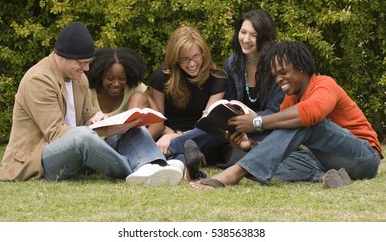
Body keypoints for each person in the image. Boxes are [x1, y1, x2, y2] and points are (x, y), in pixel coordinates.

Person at [0, 21, 183, 185]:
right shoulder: (39, 80)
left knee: (132, 127)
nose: (86, 69)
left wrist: (98, 119)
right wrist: (104, 130)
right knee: (83, 137)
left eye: (88, 62)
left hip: (75, 154)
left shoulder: (78, 78)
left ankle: (156, 164)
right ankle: (137, 170)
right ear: (63, 56)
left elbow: (87, 117)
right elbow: (55, 133)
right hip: (38, 159)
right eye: (82, 63)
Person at [191, 40, 383, 189]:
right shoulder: (289, 100)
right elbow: (284, 144)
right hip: (323, 161)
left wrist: (257, 122)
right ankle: (336, 176)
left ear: (301, 67)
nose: (279, 79)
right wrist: (251, 146)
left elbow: (311, 114)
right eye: (275, 75)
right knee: (278, 160)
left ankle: (234, 174)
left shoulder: (324, 84)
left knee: (306, 121)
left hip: (363, 158)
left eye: (283, 72)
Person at [169, 10, 322, 182]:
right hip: (239, 128)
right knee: (220, 136)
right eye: (243, 32)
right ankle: (186, 159)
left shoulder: (277, 66)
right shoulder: (233, 63)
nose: (246, 39)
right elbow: (230, 101)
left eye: (253, 35)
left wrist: (250, 120)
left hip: (266, 128)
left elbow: (276, 110)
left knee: (235, 151)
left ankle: (173, 149)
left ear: (264, 37)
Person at [148, 26, 227, 164]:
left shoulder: (217, 78)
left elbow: (206, 123)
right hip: (166, 134)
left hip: (200, 136)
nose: (191, 64)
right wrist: (171, 135)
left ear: (204, 53)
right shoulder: (160, 77)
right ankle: (184, 163)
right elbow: (158, 121)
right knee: (170, 146)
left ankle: (179, 155)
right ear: (175, 58)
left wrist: (177, 138)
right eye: (184, 59)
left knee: (219, 131)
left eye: (196, 56)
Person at [86, 47, 164, 139]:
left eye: (122, 79)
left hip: (128, 143)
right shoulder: (88, 91)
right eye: (110, 78)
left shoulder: (136, 88)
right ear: (100, 76)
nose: (116, 84)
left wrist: (141, 142)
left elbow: (159, 124)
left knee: (139, 97)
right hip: (97, 143)